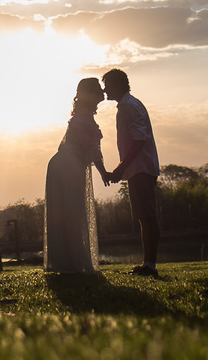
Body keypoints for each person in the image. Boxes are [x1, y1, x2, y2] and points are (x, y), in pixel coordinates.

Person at [43, 77, 110, 274]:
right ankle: (73, 263)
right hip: (67, 168)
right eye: (98, 90)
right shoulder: (84, 118)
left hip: (64, 165)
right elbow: (93, 149)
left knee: (69, 214)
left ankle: (72, 262)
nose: (102, 93)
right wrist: (104, 173)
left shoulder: (83, 116)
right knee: (72, 214)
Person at [103, 68, 161, 277]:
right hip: (138, 168)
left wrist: (121, 168)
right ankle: (148, 264)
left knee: (147, 216)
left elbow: (139, 139)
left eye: (107, 85)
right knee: (144, 217)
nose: (105, 90)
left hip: (141, 168)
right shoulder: (128, 105)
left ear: (117, 85)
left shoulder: (129, 106)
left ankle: (150, 266)